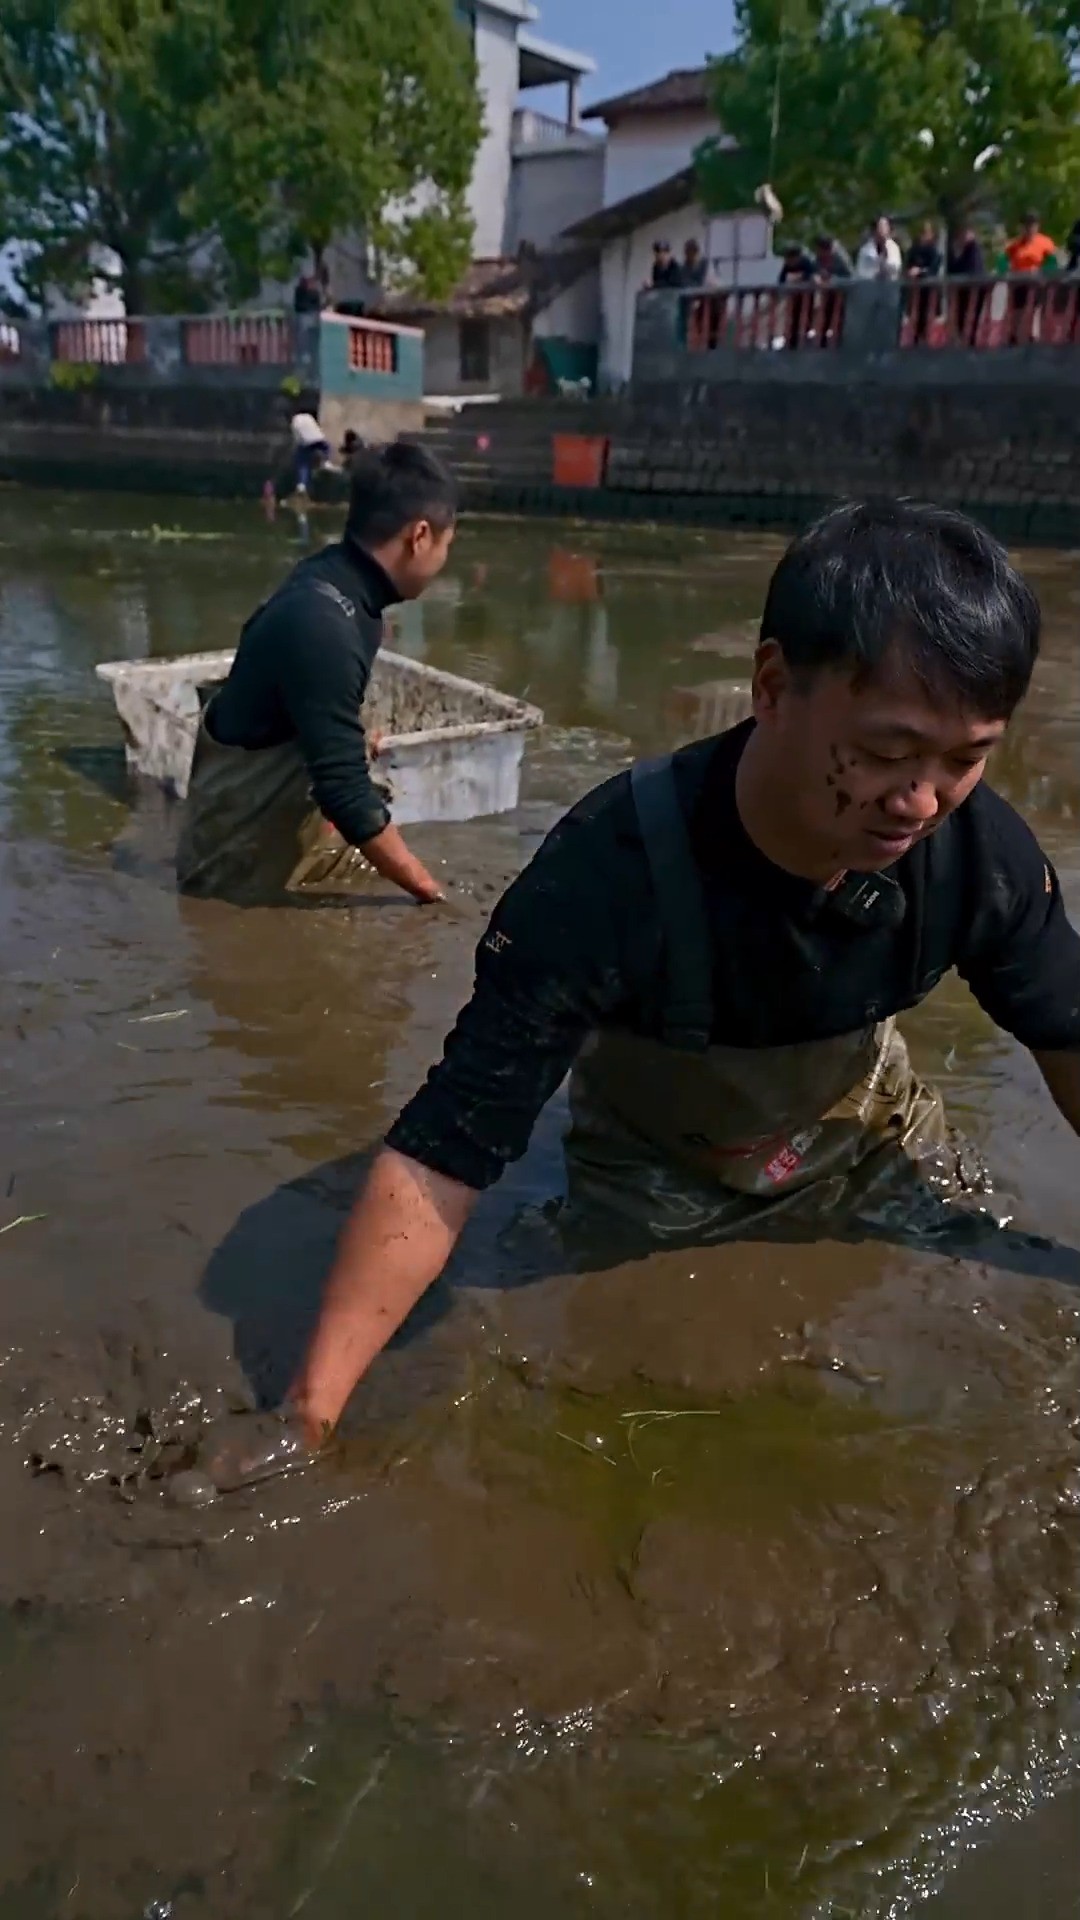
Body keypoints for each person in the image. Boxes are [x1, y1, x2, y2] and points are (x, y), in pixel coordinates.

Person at [199, 500, 1080, 1486]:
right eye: (884, 754)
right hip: (656, 1167)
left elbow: (1070, 1044)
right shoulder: (606, 874)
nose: (920, 801)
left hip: (862, 1129)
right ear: (774, 686)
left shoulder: (978, 857)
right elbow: (444, 1152)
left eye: (965, 759)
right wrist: (307, 1419)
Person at [175, 441, 457, 906]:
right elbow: (347, 798)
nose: (445, 559)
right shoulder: (324, 623)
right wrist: (433, 896)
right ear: (420, 536)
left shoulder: (344, 586)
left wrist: (349, 739)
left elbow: (303, 710)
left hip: (276, 819)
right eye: (447, 544)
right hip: (233, 866)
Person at [1004, 213, 1058, 343]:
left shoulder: (1045, 243)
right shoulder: (1014, 245)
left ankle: (1037, 337)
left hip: (1038, 283)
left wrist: (1041, 271)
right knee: (1018, 312)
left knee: (1038, 311)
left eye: (1032, 225)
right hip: (1019, 283)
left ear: (1037, 226)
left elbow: (1052, 264)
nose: (1029, 229)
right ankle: (1015, 337)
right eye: (1026, 225)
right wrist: (1007, 272)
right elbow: (1002, 262)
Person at [946, 223, 987, 344]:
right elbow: (954, 269)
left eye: (966, 234)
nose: (963, 237)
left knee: (970, 317)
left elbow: (971, 269)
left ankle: (969, 340)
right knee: (963, 318)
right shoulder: (963, 251)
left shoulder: (973, 249)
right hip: (964, 291)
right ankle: (966, 339)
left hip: (973, 290)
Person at [905, 221, 943, 343]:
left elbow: (933, 269)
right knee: (915, 318)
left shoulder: (934, 250)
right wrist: (909, 271)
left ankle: (927, 340)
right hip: (915, 291)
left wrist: (920, 271)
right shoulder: (913, 249)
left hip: (929, 291)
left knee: (928, 318)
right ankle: (916, 338)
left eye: (925, 232)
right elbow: (907, 265)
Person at [855, 215, 902, 280]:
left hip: (888, 285)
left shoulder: (894, 247)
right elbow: (861, 272)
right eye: (880, 226)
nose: (883, 229)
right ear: (874, 229)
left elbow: (896, 267)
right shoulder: (865, 250)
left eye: (885, 226)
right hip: (871, 286)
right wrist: (875, 274)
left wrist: (885, 265)